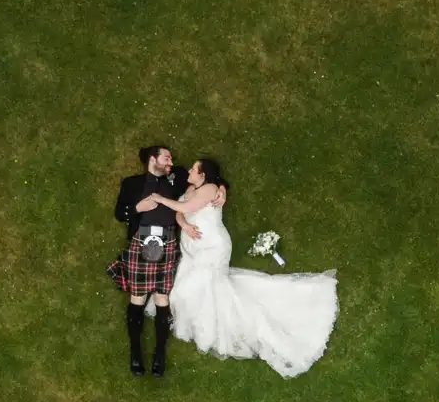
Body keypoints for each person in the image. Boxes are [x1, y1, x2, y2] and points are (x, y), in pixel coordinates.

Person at [143, 160, 337, 378]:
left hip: (212, 247)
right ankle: (197, 316)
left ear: (203, 174)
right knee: (188, 286)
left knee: (201, 287)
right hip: (192, 250)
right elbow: (181, 212)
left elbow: (186, 208)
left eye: (193, 168)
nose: (189, 171)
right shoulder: (191, 189)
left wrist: (159, 199)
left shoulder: (210, 189)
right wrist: (184, 225)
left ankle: (225, 324)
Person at [107, 145, 197, 377]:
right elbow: (120, 214)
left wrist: (223, 188)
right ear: (152, 159)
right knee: (137, 297)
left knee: (161, 296)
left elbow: (205, 180)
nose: (170, 161)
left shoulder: (176, 177)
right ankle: (135, 352)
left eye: (171, 158)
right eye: (166, 157)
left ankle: (159, 354)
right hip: (141, 239)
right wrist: (139, 207)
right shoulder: (132, 183)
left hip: (167, 241)